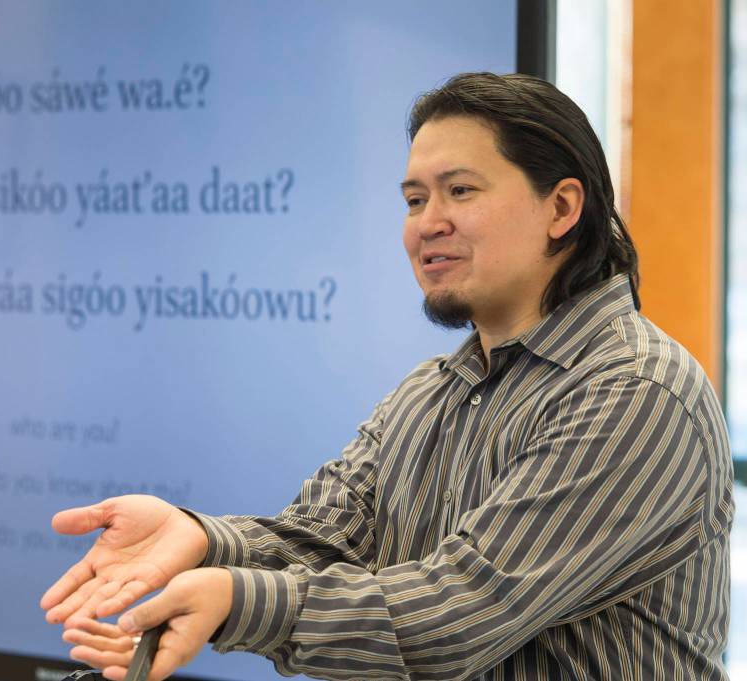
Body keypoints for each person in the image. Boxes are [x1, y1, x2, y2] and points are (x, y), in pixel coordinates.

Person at [39, 72, 734, 681]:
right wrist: (200, 537)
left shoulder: (638, 390)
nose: (427, 225)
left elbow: (463, 608)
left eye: (459, 190)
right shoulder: (432, 389)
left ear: (561, 208)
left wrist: (234, 598)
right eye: (412, 200)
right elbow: (323, 537)